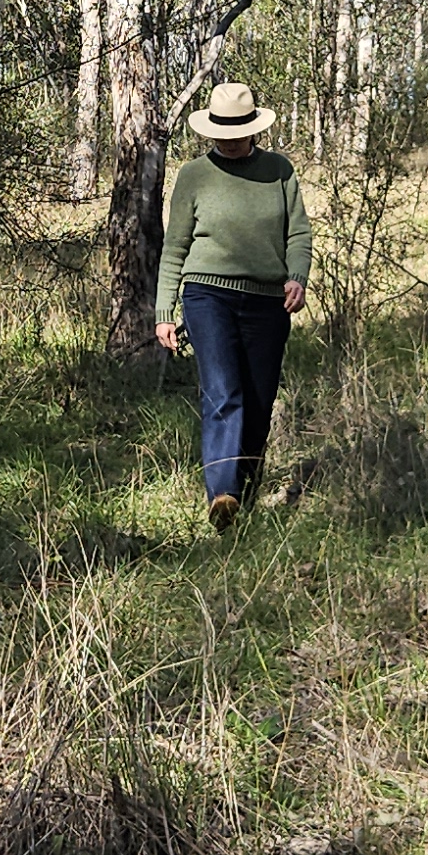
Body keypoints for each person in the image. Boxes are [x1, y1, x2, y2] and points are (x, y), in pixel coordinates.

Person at [154, 80, 313, 533]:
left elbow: (298, 234)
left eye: (238, 128)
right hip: (208, 295)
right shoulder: (193, 175)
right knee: (225, 392)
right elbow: (175, 247)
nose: (230, 137)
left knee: (260, 401)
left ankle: (242, 495)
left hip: (268, 301)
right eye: (222, 129)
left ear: (253, 127)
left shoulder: (280, 172)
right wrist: (165, 310)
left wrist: (296, 278)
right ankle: (221, 493)